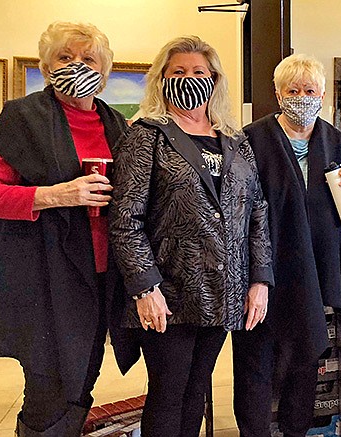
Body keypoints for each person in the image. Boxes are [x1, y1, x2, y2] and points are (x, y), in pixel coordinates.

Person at [108, 35, 273, 437]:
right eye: (178, 72)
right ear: (162, 79)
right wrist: (145, 288)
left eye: (199, 72)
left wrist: (260, 280)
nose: (189, 79)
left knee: (197, 390)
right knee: (168, 394)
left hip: (223, 292)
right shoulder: (146, 135)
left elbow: (258, 215)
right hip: (168, 294)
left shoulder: (236, 141)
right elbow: (125, 218)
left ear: (214, 79)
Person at [0, 22, 128, 436]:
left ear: (105, 70)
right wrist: (53, 195)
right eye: (65, 57)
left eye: (88, 58)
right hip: (44, 277)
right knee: (48, 384)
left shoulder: (117, 125)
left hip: (100, 277)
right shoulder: (21, 118)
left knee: (85, 374)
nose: (76, 65)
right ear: (46, 66)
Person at [231, 53, 341, 437]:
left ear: (322, 94)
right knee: (256, 359)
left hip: (315, 271)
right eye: (293, 90)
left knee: (304, 359)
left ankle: (296, 431)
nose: (301, 97)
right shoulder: (250, 140)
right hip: (261, 271)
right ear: (277, 93)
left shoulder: (338, 144)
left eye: (309, 90)